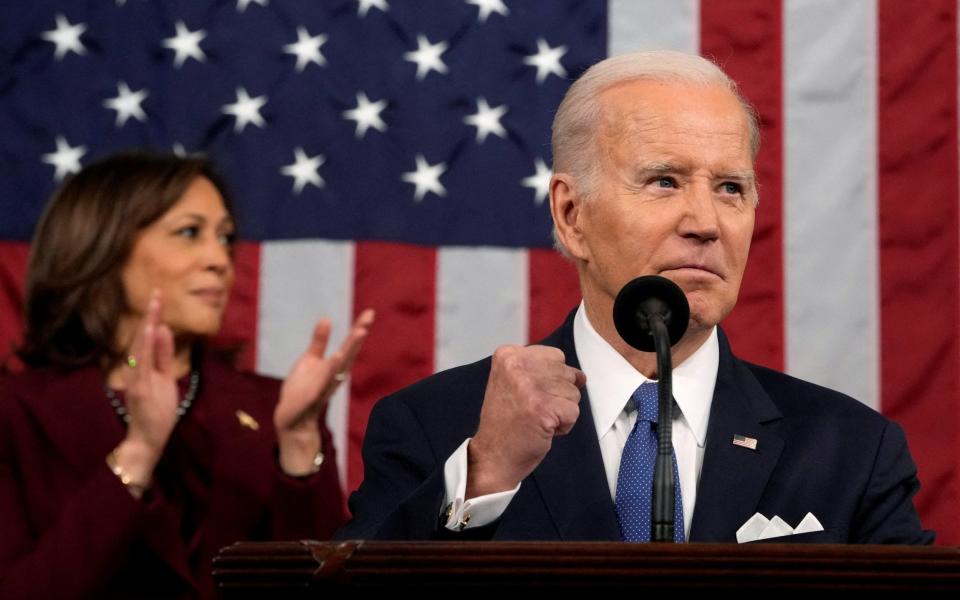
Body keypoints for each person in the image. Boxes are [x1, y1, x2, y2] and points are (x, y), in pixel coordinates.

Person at [337, 50, 934, 544]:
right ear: (572, 215)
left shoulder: (851, 450)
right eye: (664, 181)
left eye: (731, 187)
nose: (705, 221)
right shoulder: (435, 427)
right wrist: (487, 475)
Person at [0, 151, 375, 598]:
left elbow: (325, 590)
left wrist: (298, 444)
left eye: (226, 238)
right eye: (190, 233)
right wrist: (137, 454)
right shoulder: (18, 412)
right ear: (103, 245)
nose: (220, 258)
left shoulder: (272, 409)